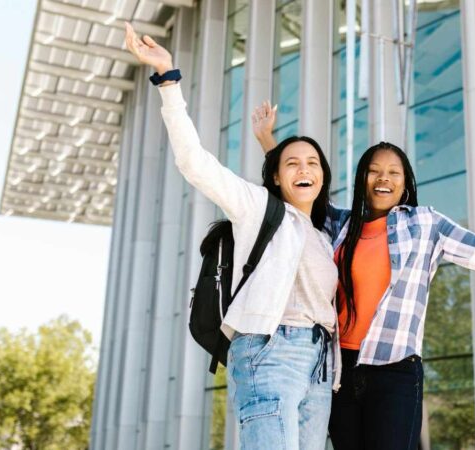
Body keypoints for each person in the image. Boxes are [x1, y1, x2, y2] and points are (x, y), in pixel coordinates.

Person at [252, 104, 475, 450]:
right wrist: (267, 140)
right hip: (338, 373)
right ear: (361, 179)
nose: (383, 179)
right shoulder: (340, 225)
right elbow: (298, 188)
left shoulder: (424, 224)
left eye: (393, 173)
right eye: (374, 171)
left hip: (395, 372)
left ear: (405, 181)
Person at [124, 24, 341, 450]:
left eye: (313, 163)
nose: (304, 169)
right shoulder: (257, 207)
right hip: (272, 350)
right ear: (275, 178)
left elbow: (295, 186)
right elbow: (194, 163)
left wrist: (271, 142)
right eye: (293, 164)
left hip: (320, 363)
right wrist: (168, 79)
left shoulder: (322, 233)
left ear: (323, 176)